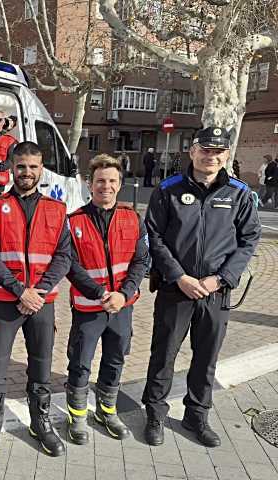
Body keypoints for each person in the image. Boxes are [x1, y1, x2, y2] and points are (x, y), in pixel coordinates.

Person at [142, 127, 260, 448]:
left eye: (218, 152)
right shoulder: (168, 190)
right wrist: (180, 276)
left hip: (215, 291)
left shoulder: (239, 193)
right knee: (163, 354)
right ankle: (154, 415)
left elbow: (249, 240)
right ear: (192, 152)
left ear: (226, 156)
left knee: (206, 358)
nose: (211, 157)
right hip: (175, 289)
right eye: (205, 150)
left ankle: (196, 415)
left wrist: (219, 279)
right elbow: (155, 236)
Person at [0, 141, 71, 460]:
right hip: (5, 302)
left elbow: (63, 257)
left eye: (33, 166)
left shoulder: (57, 210)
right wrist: (21, 291)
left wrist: (39, 292)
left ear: (41, 168)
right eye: (21, 166)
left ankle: (40, 422)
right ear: (11, 167)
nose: (27, 172)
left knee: (41, 366)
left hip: (42, 304)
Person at [64, 154, 148, 445]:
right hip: (89, 308)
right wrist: (101, 294)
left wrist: (123, 295)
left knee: (115, 360)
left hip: (122, 308)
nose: (106, 186)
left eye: (112, 181)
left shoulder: (132, 218)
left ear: (120, 184)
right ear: (90, 183)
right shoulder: (73, 222)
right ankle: (76, 417)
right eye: (100, 181)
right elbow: (70, 267)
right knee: (80, 362)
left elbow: (141, 261)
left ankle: (106, 411)